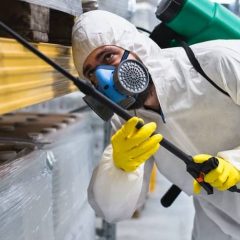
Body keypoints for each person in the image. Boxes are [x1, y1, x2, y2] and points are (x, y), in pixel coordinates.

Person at [72, 10, 240, 240]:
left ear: (134, 46)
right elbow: (113, 210)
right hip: (219, 218)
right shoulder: (128, 121)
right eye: (91, 73)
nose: (103, 78)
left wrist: (235, 164)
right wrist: (121, 169)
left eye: (108, 57)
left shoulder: (218, 62)